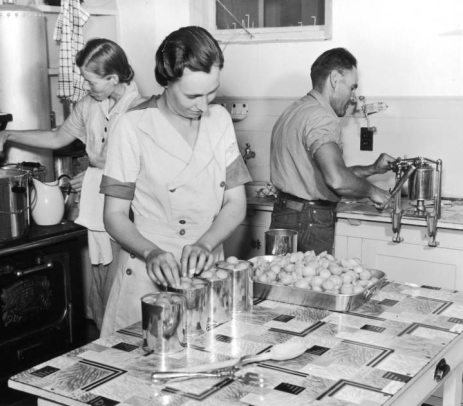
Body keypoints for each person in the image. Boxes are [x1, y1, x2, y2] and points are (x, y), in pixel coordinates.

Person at [0, 38, 144, 330]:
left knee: (123, 289)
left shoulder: (142, 110)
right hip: (98, 205)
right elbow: (56, 138)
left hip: (130, 210)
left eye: (91, 81)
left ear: (113, 78)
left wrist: (100, 177)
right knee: (101, 285)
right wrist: (7, 136)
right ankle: (104, 352)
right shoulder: (90, 104)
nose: (86, 86)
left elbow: (149, 172)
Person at [99, 26, 252, 337]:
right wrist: (151, 253)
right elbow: (114, 215)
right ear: (167, 80)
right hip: (148, 270)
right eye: (193, 95)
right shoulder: (132, 126)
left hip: (205, 271)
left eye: (212, 92)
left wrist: (206, 243)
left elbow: (236, 204)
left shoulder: (220, 120)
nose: (204, 105)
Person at [270, 47, 394, 255]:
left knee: (280, 281)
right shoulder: (322, 116)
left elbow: (322, 175)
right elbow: (337, 179)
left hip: (285, 214)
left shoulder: (294, 110)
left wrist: (372, 168)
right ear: (335, 79)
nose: (354, 96)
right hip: (309, 219)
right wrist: (373, 192)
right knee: (313, 285)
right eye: (352, 87)